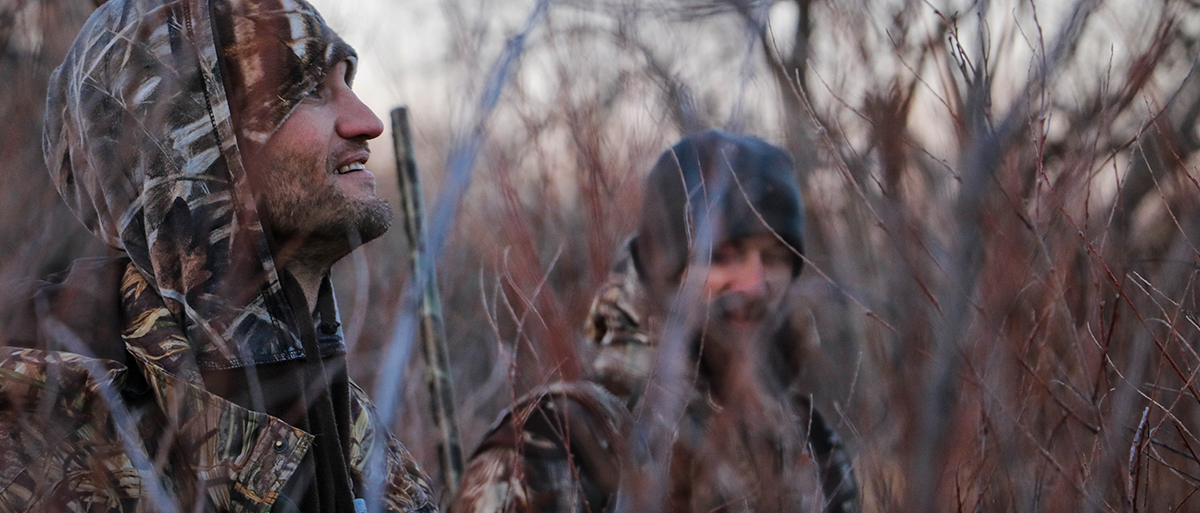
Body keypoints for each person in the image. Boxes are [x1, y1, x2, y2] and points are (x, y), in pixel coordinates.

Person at [0, 0, 438, 511]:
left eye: (349, 83)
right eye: (312, 90)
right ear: (191, 140)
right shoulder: (48, 446)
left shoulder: (372, 448)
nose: (366, 122)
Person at [452, 130, 859, 513]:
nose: (754, 285)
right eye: (723, 256)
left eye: (772, 257)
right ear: (664, 271)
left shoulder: (812, 446)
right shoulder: (560, 443)